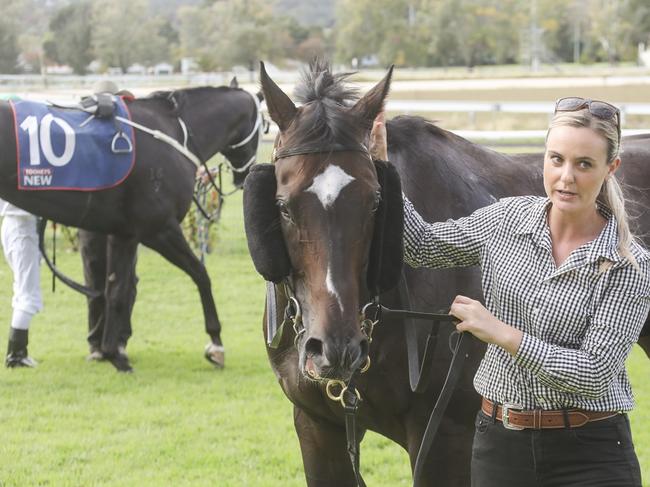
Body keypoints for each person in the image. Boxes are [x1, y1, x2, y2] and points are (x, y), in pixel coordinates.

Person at [370, 98, 650, 487]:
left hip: (590, 455)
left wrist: (501, 333)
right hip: (500, 446)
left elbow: (594, 373)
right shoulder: (507, 218)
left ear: (610, 168)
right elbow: (422, 246)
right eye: (556, 159)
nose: (566, 176)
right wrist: (384, 170)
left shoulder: (627, 264)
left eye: (584, 164)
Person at [1, 200, 42, 368]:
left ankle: (17, 352)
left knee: (22, 290)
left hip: (15, 223)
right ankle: (16, 355)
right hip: (21, 224)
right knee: (27, 295)